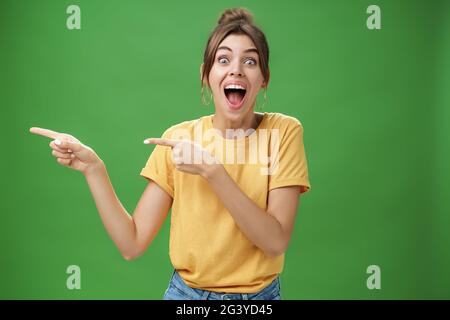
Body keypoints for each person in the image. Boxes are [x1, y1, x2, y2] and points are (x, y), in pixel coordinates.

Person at [29, 7, 311, 300]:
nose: (236, 69)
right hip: (186, 297)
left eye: (250, 61)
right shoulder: (178, 140)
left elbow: (275, 242)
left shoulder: (282, 132)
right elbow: (132, 243)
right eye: (223, 59)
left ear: (264, 78)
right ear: (206, 75)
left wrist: (212, 172)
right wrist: (94, 169)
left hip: (259, 300)